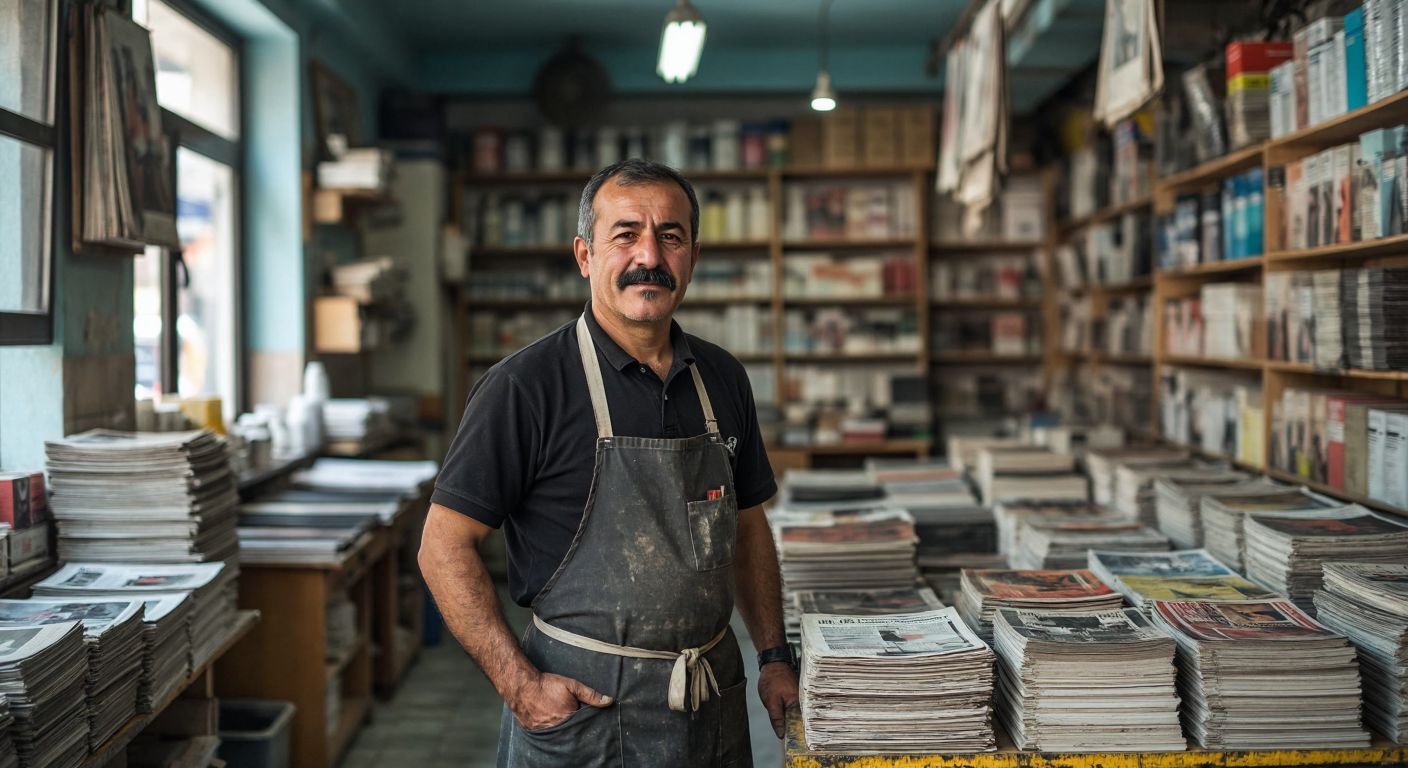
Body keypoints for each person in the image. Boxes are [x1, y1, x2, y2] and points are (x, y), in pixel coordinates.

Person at [420, 159, 798, 767]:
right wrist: (521, 686)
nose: (649, 255)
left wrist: (774, 656)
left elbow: (747, 526)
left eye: (670, 236)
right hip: (583, 714)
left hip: (709, 702)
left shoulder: (723, 379)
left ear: (692, 258)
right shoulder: (524, 387)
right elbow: (441, 547)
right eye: (625, 235)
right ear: (585, 255)